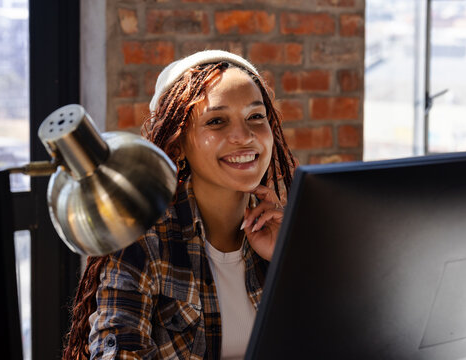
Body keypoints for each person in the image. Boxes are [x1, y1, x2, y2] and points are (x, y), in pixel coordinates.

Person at [62, 50, 296, 360]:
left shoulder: (287, 235)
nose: (244, 136)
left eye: (255, 116)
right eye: (216, 121)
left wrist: (288, 263)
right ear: (179, 142)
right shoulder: (143, 242)